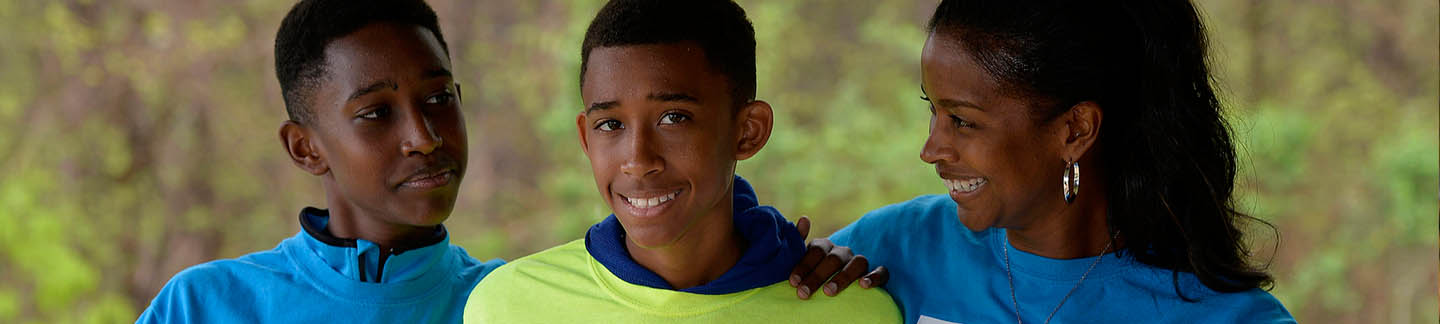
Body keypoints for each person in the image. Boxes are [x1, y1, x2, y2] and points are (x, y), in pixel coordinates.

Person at [827, 0, 1297, 323]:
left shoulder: (1227, 317)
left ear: (1076, 130)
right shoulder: (891, 251)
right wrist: (793, 273)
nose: (932, 150)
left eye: (963, 121)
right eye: (934, 109)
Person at [464, 0, 900, 322]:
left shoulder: (853, 312)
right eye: (610, 124)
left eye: (674, 118)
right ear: (584, 136)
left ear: (747, 131)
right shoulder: (507, 306)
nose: (638, 160)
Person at [136, 0, 502, 322]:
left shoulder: (511, 303)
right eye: (376, 113)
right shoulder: (201, 307)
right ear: (305, 148)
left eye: (438, 99)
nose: (424, 139)